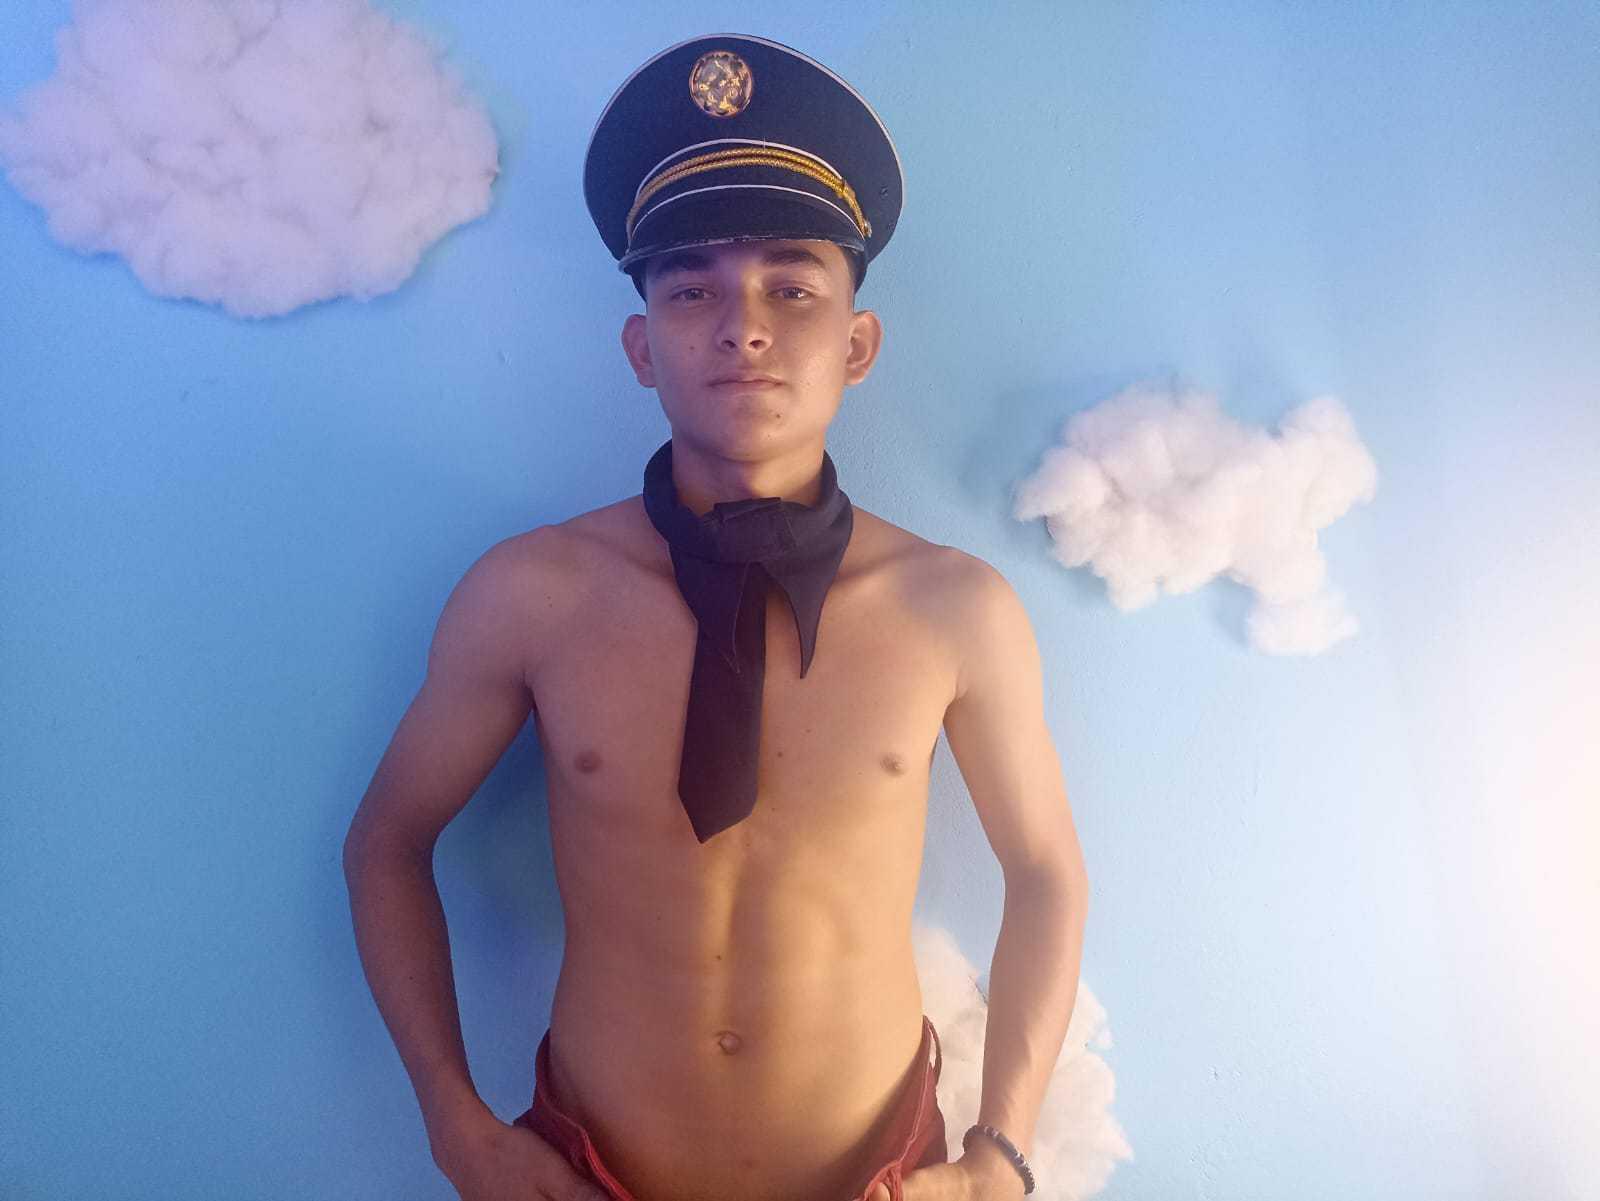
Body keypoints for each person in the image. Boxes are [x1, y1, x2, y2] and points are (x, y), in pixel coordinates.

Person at [342, 33, 1089, 1201]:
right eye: (691, 289)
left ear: (857, 343)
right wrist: (457, 1126)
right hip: (587, 1171)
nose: (743, 326)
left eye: (792, 288)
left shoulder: (952, 609)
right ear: (641, 346)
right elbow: (386, 840)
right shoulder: (531, 595)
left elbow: (1044, 870)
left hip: (881, 1180)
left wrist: (999, 1156)